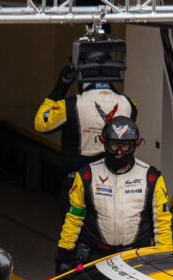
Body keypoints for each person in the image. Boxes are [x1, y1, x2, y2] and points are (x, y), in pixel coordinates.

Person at [55, 116, 172, 273]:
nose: (119, 151)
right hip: (97, 257)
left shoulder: (151, 178)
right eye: (115, 144)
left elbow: (162, 224)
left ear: (135, 145)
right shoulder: (86, 175)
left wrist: (163, 260)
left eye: (125, 145)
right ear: (104, 142)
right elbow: (74, 219)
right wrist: (64, 255)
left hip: (136, 257)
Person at [34, 55, 138, 212]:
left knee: (73, 234)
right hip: (115, 184)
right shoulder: (129, 105)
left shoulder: (71, 105)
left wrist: (61, 86)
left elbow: (41, 123)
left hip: (78, 185)